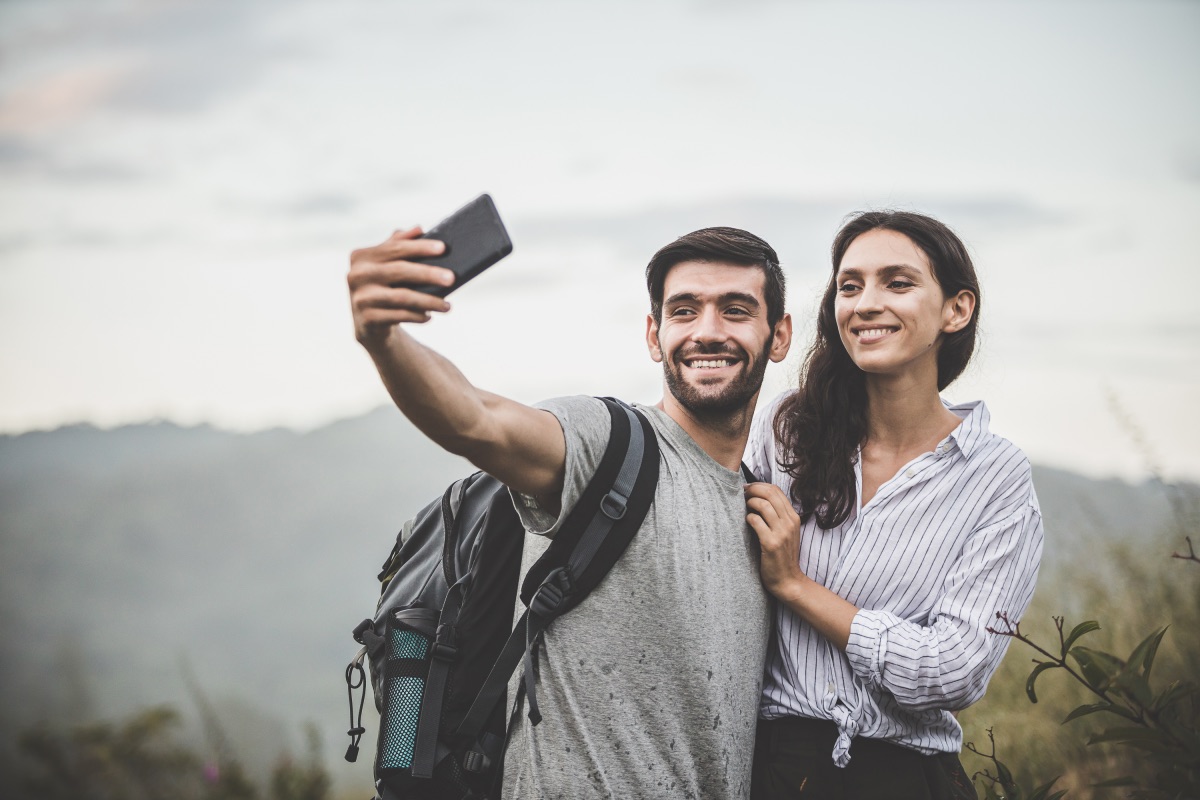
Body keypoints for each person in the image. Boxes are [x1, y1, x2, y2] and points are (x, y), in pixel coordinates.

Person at [348, 223, 793, 799]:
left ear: (778, 336)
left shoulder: (765, 514)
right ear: (654, 336)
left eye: (735, 310)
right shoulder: (605, 445)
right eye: (684, 311)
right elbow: (473, 418)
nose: (707, 332)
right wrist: (384, 339)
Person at [743, 211, 1043, 799]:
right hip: (772, 767)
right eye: (849, 286)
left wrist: (796, 585)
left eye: (897, 283)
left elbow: (953, 670)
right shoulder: (789, 430)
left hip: (905, 777)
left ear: (957, 309)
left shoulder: (995, 476)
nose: (865, 303)